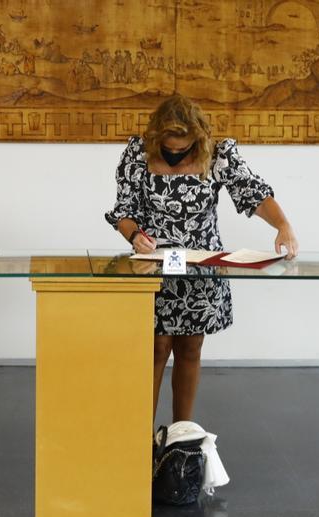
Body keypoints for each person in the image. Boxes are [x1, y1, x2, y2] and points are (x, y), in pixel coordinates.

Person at [105, 93, 299, 427]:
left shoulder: (219, 154)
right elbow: (123, 212)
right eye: (169, 146)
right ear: (156, 136)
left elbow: (254, 194)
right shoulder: (137, 154)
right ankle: (141, 438)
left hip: (201, 271)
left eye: (183, 148)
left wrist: (283, 225)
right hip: (154, 267)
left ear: (198, 137)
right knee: (156, 347)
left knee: (191, 348)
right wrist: (135, 235)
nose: (176, 154)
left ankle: (182, 435)